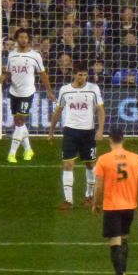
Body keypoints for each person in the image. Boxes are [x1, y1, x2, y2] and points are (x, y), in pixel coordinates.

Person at [92, 127, 138, 275]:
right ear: (123, 140)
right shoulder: (136, 159)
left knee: (115, 243)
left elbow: (99, 185)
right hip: (129, 206)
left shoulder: (103, 160)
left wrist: (96, 203)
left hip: (112, 207)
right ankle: (123, 273)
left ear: (110, 141)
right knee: (124, 239)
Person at [48, 63, 105, 210]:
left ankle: (89, 196)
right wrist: (51, 131)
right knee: (67, 164)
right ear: (74, 75)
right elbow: (58, 110)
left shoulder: (93, 89)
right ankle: (68, 200)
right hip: (70, 131)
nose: (83, 78)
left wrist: (100, 130)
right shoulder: (65, 90)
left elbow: (100, 110)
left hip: (88, 132)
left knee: (90, 164)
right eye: (80, 75)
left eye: (85, 75)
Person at [0, 28, 55, 163]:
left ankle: (12, 153)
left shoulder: (35, 55)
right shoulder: (12, 55)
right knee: (18, 122)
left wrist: (49, 90)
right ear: (17, 39)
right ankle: (28, 149)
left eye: (25, 37)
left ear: (28, 39)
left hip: (27, 93)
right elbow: (9, 71)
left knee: (20, 121)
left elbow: (42, 74)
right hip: (14, 92)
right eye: (21, 37)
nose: (23, 39)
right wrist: (3, 76)